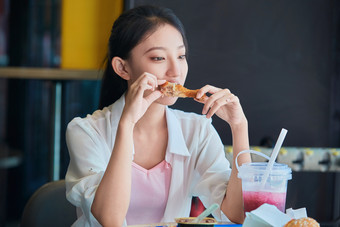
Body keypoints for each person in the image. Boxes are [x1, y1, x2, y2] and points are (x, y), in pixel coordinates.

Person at [65, 5, 251, 227]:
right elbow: (110, 219)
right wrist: (127, 124)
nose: (176, 72)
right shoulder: (85, 131)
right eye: (158, 58)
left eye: (181, 56)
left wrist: (239, 127)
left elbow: (236, 215)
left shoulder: (197, 131)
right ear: (123, 68)